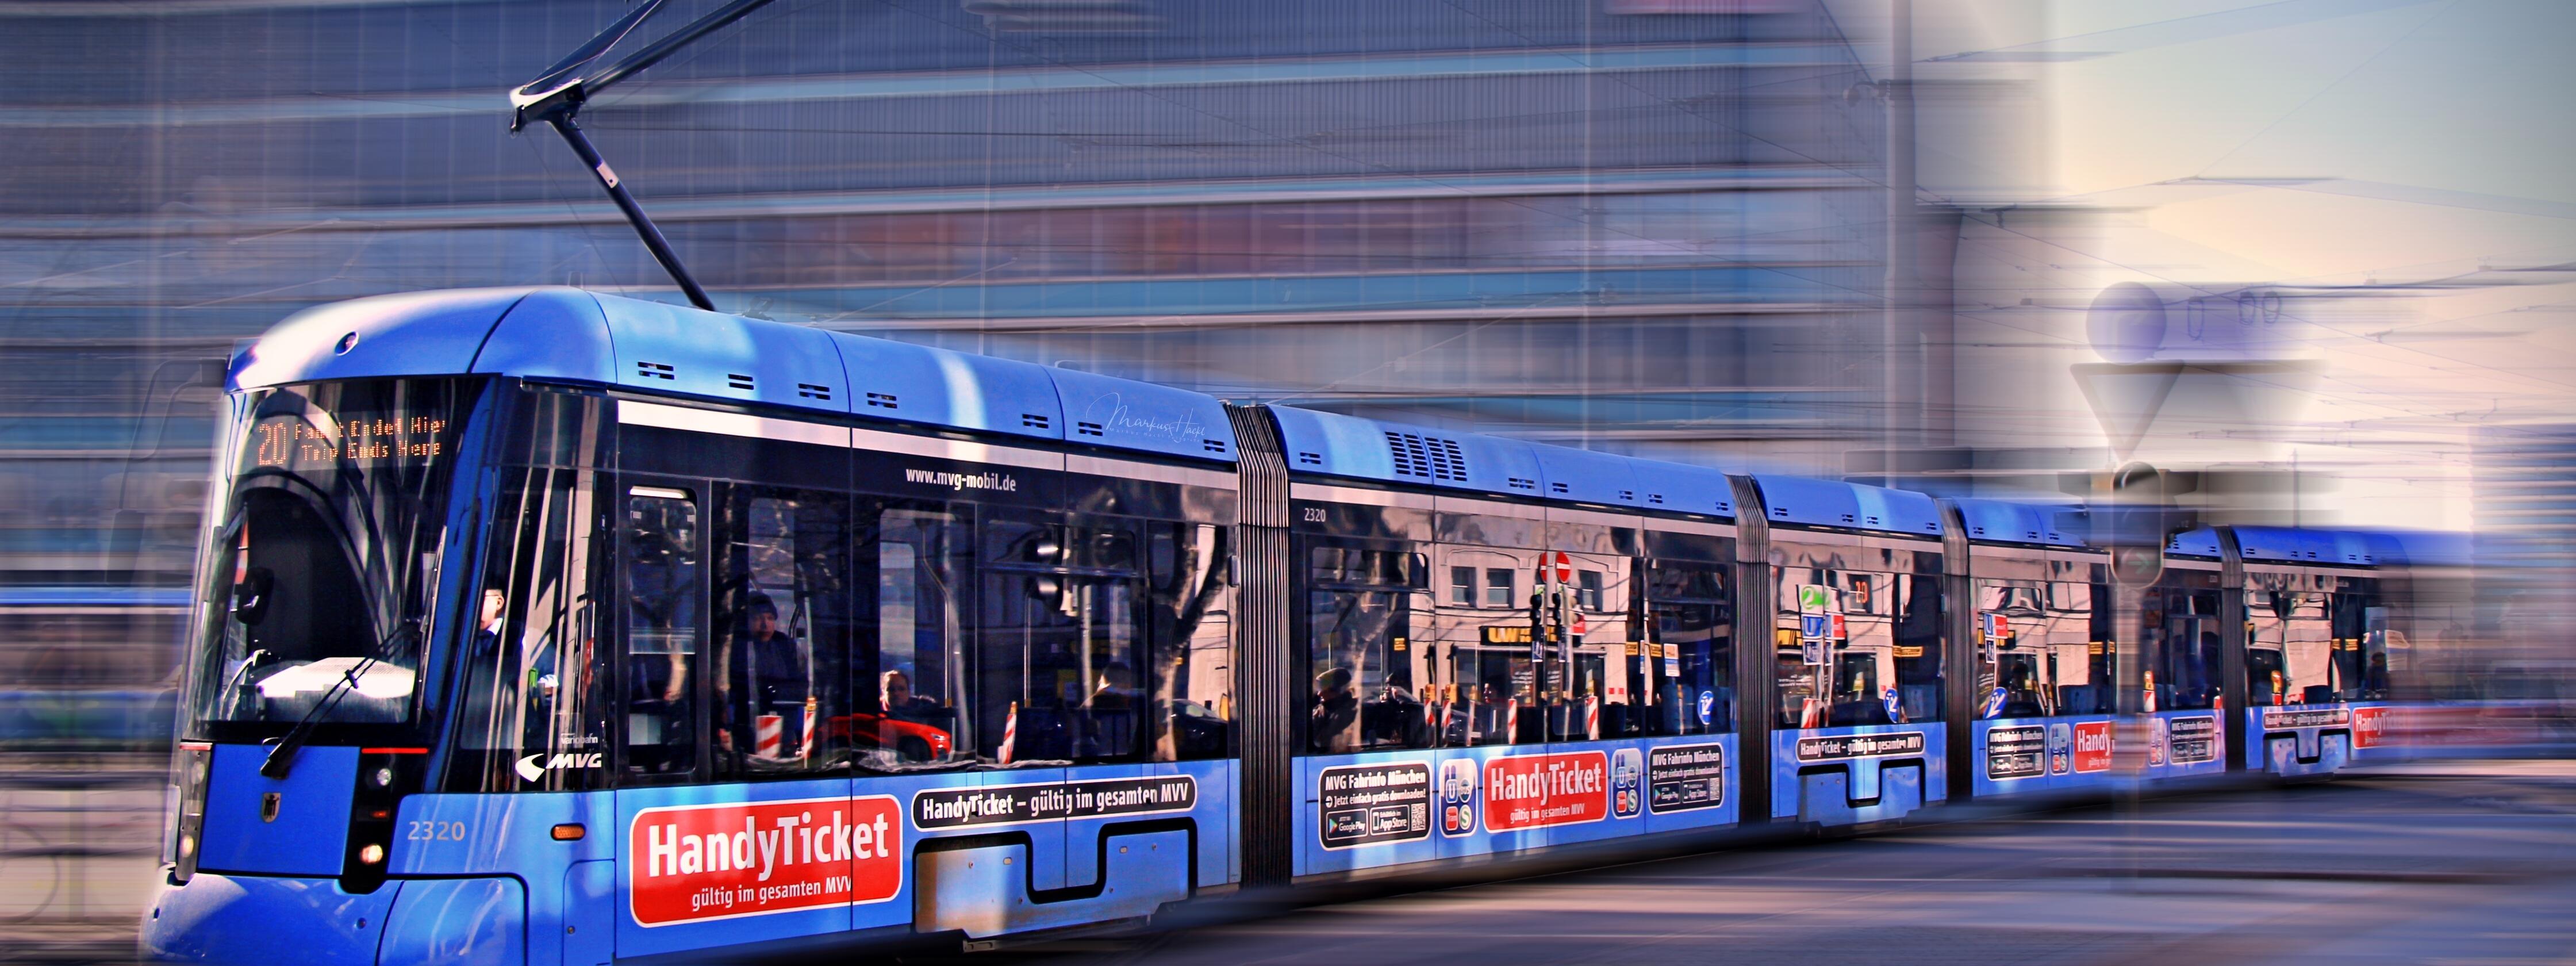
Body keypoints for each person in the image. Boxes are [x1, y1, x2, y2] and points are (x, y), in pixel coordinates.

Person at [725, 593, 808, 757]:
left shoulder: (785, 645)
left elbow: (803, 681)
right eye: (758, 618)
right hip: (745, 726)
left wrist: (778, 692)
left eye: (770, 618)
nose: (765, 624)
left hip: (785, 723)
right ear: (747, 620)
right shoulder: (736, 647)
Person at [1308, 666, 1359, 753]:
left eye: (1325, 689)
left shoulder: (1351, 713)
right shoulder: (1319, 711)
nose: (1320, 694)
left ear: (1337, 690)